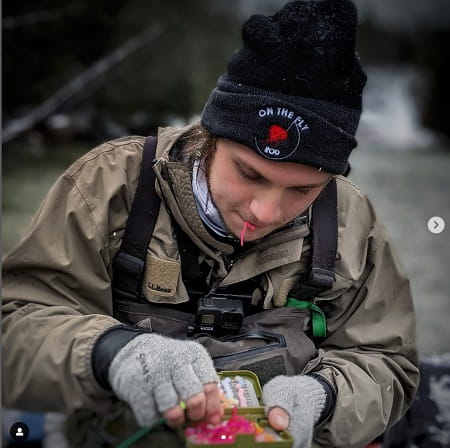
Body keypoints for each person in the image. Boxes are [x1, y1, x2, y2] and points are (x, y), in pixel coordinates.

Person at [2, 1, 419, 447]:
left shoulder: (353, 221)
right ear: (210, 137)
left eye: (302, 190)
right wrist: (110, 351)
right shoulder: (108, 184)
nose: (264, 212)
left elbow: (386, 360)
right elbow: (16, 328)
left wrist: (324, 397)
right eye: (249, 174)